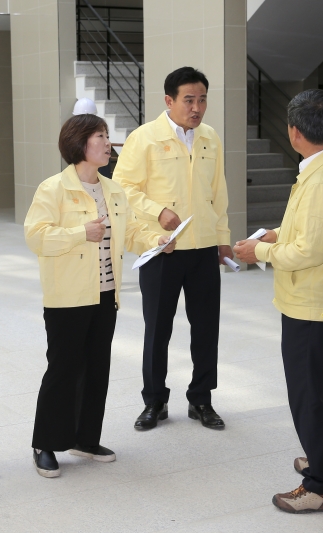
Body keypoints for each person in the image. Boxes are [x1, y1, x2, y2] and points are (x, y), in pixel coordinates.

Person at [233, 89, 323, 514]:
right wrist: (278, 235)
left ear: (293, 131)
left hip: (313, 303)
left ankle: (322, 486)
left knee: (309, 394)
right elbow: (316, 233)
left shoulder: (322, 180)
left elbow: (311, 251)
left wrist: (261, 252)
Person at [24, 114, 175, 478]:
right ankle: (45, 443)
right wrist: (80, 233)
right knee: (63, 371)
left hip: (106, 295)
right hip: (68, 298)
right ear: (79, 143)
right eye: (100, 137)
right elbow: (36, 236)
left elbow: (131, 231)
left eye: (108, 136)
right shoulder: (52, 189)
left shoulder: (113, 190)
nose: (108, 143)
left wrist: (156, 240)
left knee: (96, 370)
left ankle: (85, 439)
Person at [112, 67, 232, 431]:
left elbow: (218, 193)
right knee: (158, 328)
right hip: (162, 249)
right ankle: (154, 401)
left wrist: (223, 236)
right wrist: (157, 211)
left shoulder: (210, 137)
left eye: (202, 100)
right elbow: (123, 188)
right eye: (189, 100)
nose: (197, 108)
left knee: (206, 327)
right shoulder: (144, 138)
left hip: (203, 249)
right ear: (169, 101)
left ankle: (201, 399)